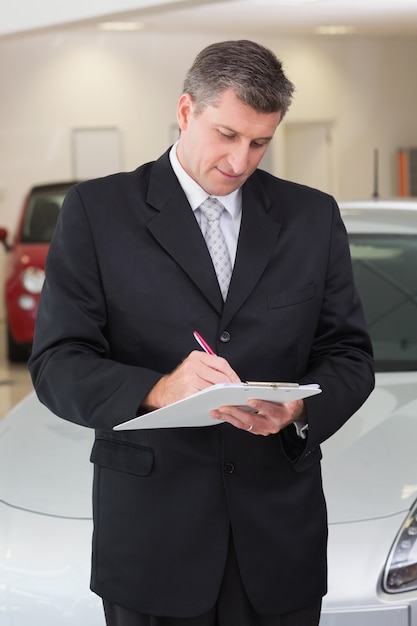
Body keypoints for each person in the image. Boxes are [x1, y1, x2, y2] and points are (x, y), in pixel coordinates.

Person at [28, 39, 374, 626]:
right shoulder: (96, 211)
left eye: (260, 142)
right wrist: (159, 389)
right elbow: (57, 362)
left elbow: (349, 356)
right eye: (227, 134)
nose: (240, 161)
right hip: (151, 544)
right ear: (187, 111)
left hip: (277, 545)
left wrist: (298, 411)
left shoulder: (311, 217)